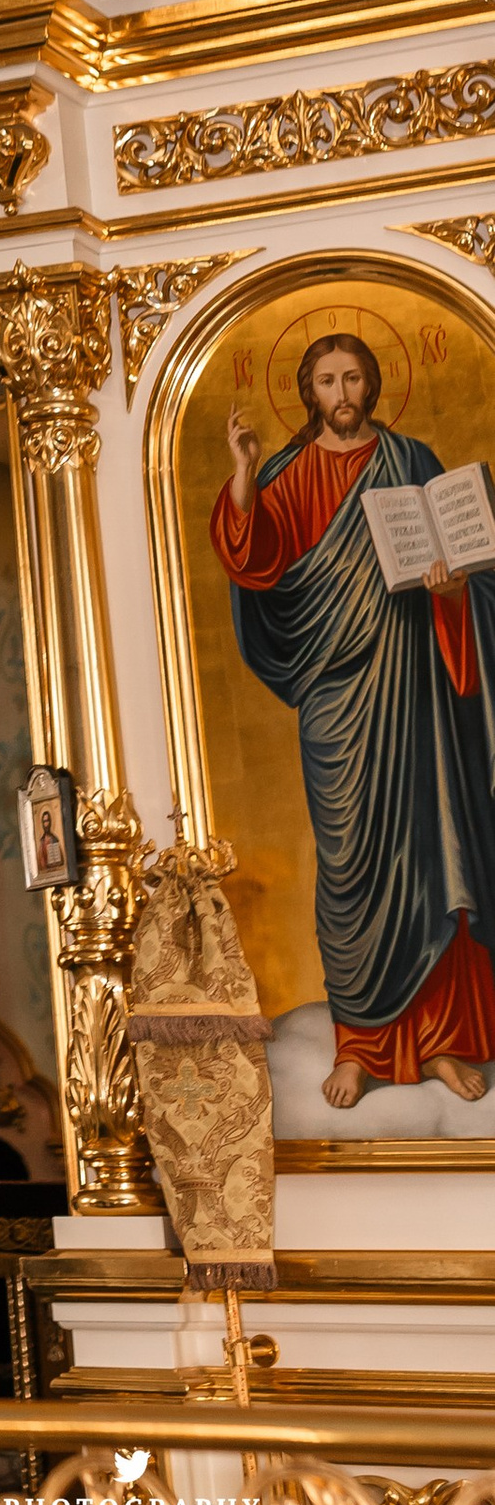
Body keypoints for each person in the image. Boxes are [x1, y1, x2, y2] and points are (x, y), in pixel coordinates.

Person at [216, 334, 495, 1109]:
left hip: (418, 689)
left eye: (355, 378)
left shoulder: (414, 462)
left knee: (437, 855)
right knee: (353, 866)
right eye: (328, 380)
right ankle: (363, 1046)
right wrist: (244, 472)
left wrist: (449, 592)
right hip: (337, 698)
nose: (343, 391)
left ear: (374, 385)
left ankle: (442, 1043)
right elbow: (256, 563)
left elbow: (475, 570)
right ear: (308, 391)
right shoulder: (288, 473)